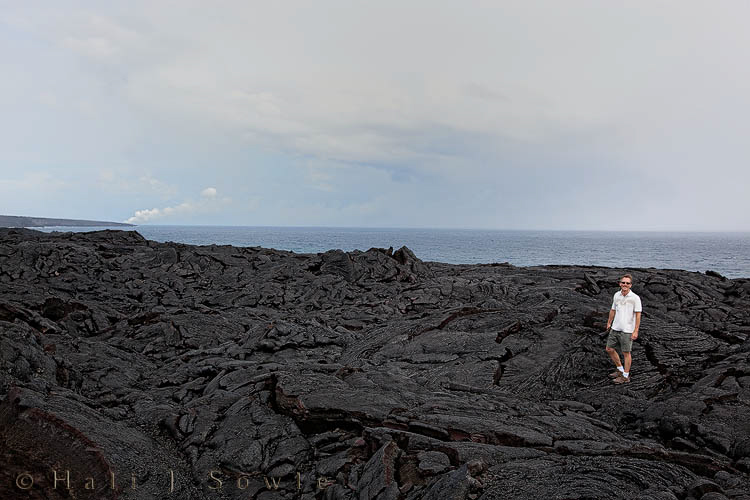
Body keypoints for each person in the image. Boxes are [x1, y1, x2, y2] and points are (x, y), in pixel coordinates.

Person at [605, 274, 642, 384]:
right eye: (623, 282)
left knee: (626, 352)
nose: (625, 284)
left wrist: (636, 330)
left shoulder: (635, 298)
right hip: (615, 327)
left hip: (627, 330)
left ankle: (625, 376)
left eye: (627, 283)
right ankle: (620, 369)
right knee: (609, 349)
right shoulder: (617, 295)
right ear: (620, 283)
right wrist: (609, 322)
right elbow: (613, 310)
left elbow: (638, 315)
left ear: (630, 285)